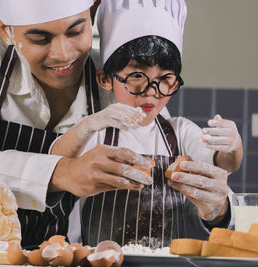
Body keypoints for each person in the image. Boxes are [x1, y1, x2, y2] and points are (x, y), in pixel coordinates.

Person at [0, 0, 156, 248]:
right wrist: (64, 172)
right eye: (40, 39)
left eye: (75, 31)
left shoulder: (113, 78)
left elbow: (161, 149)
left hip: (56, 255)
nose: (63, 54)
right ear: (5, 30)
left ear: (92, 14)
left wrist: (200, 210)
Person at [51, 0, 243, 247]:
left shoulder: (179, 132)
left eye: (165, 79)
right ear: (105, 79)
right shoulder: (96, 133)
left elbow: (225, 163)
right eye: (137, 76)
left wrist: (233, 144)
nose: (152, 91)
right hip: (102, 260)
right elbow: (56, 161)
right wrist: (88, 125)